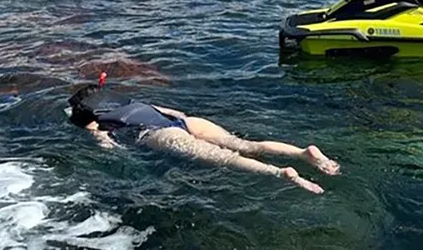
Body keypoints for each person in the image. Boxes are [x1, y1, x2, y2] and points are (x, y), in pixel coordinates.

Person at [68, 74, 340, 194]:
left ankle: (281, 173)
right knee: (244, 144)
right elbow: (174, 111)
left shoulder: (94, 119)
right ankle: (301, 152)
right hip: (185, 122)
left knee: (226, 159)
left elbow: (103, 142)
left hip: (157, 134)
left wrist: (118, 151)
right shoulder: (130, 101)